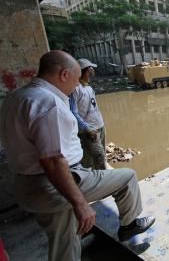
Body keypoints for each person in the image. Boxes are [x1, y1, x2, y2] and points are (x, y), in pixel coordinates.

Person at [0, 51, 155, 261]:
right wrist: (80, 203)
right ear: (64, 74)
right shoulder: (49, 103)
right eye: (74, 79)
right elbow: (53, 160)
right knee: (127, 177)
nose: (75, 86)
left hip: (26, 186)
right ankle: (128, 226)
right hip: (56, 182)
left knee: (65, 239)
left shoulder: (15, 97)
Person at [69, 59, 106, 170]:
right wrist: (86, 128)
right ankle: (102, 181)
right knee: (98, 156)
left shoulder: (88, 87)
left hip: (99, 126)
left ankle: (98, 175)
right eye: (90, 69)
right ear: (85, 71)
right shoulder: (75, 89)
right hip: (89, 130)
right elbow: (72, 111)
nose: (92, 71)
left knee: (100, 155)